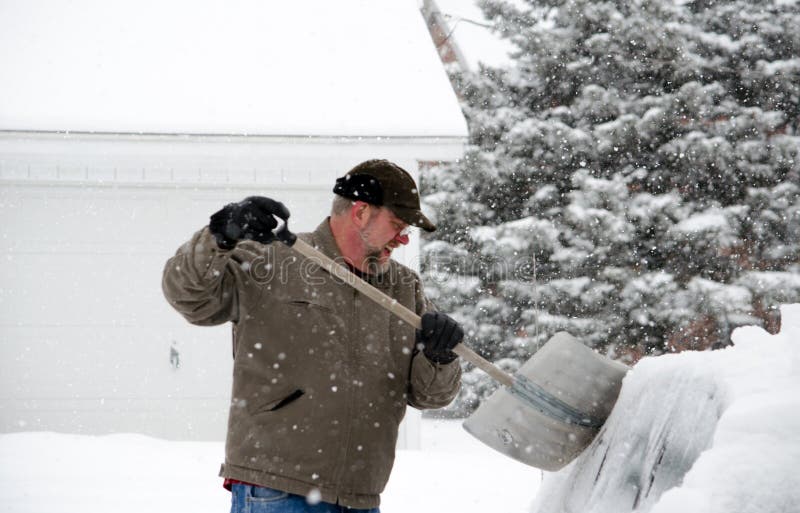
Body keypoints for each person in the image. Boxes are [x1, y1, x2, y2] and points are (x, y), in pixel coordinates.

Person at [162, 159, 463, 512]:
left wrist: (440, 357)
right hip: (278, 489)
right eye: (397, 224)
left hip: (361, 497)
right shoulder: (273, 261)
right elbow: (188, 296)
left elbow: (429, 396)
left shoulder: (404, 288)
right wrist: (220, 235)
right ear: (361, 213)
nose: (404, 238)